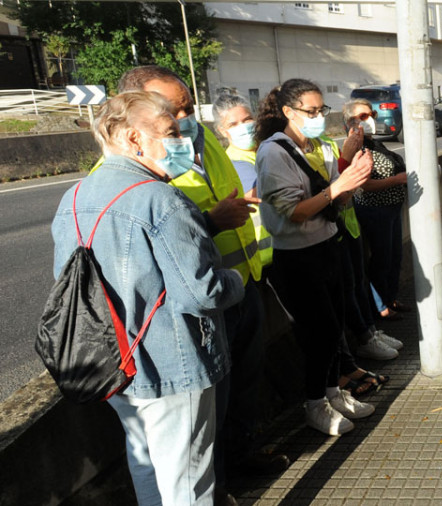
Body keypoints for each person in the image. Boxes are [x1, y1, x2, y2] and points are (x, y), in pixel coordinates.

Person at [52, 91, 245, 505]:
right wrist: (234, 280)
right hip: (170, 362)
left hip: (112, 363)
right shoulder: (162, 199)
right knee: (188, 479)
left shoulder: (73, 198)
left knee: (147, 466)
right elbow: (202, 293)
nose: (183, 141)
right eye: (171, 132)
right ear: (134, 140)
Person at [116, 66, 281, 504]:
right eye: (174, 109)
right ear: (136, 118)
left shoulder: (201, 141)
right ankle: (219, 486)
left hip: (242, 281)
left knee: (243, 388)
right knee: (208, 416)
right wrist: (213, 220)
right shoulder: (134, 171)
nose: (186, 116)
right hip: (201, 307)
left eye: (189, 105)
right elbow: (156, 244)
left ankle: (241, 460)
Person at [254, 78, 376, 436]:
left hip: (328, 245)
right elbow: (295, 212)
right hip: (296, 256)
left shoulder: (321, 146)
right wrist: (338, 186)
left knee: (334, 326)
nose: (318, 116)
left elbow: (338, 199)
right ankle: (314, 404)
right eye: (311, 111)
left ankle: (332, 392)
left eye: (321, 110)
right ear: (289, 112)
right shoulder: (274, 152)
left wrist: (351, 183)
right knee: (317, 334)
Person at [342, 98, 416, 326]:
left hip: (391, 209)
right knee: (381, 260)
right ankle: (380, 307)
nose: (370, 120)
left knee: (395, 257)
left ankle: (390, 298)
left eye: (371, 115)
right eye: (363, 116)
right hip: (374, 210)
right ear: (350, 121)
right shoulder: (355, 147)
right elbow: (364, 184)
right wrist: (397, 179)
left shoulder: (374, 142)